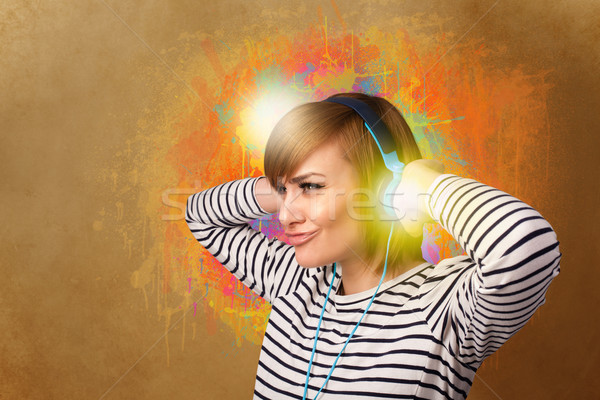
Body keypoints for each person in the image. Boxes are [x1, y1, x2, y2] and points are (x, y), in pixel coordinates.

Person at [185, 92, 561, 399]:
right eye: (283, 192)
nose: (284, 217)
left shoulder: (443, 307)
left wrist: (421, 185)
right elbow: (199, 214)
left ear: (382, 189)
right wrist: (283, 182)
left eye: (312, 186)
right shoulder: (294, 282)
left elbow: (525, 245)